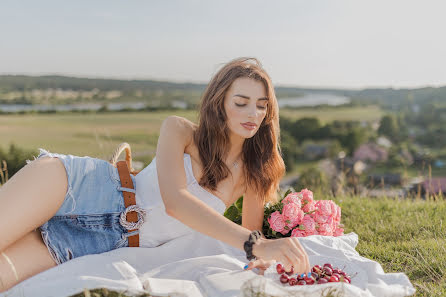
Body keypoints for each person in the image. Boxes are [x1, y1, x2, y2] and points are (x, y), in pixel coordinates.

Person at [0, 57, 310, 292]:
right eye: (241, 103)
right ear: (220, 104)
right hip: (76, 185)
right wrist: (256, 242)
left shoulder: (256, 174)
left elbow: (252, 249)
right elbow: (176, 201)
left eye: (261, 105)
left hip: (97, 241)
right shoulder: (179, 130)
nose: (252, 113)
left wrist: (264, 255)